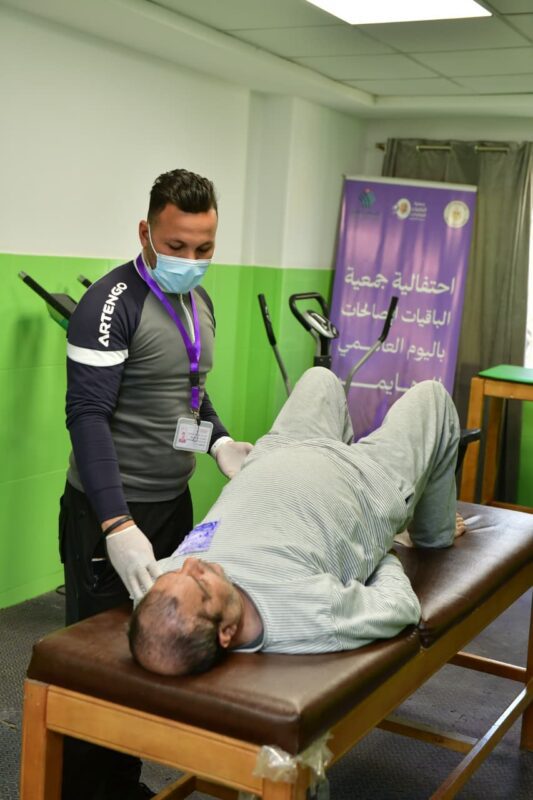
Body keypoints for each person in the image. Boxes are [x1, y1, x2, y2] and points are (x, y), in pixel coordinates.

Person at [59, 168, 251, 800]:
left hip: (173, 506)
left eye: (204, 248)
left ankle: (123, 782)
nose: (191, 261)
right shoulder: (111, 304)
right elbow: (87, 416)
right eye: (176, 246)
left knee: (157, 652)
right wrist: (116, 524)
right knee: (100, 663)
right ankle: (89, 791)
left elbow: (186, 394)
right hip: (111, 512)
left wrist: (218, 440)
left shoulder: (200, 302)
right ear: (145, 232)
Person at [129, 367, 463, 677]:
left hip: (278, 451)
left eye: (177, 573)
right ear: (227, 632)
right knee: (433, 397)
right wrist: (383, 552)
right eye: (201, 584)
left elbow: (150, 619)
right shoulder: (307, 612)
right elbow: (400, 606)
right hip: (366, 480)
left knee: (321, 378)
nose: (192, 564)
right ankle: (435, 534)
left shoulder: (162, 593)